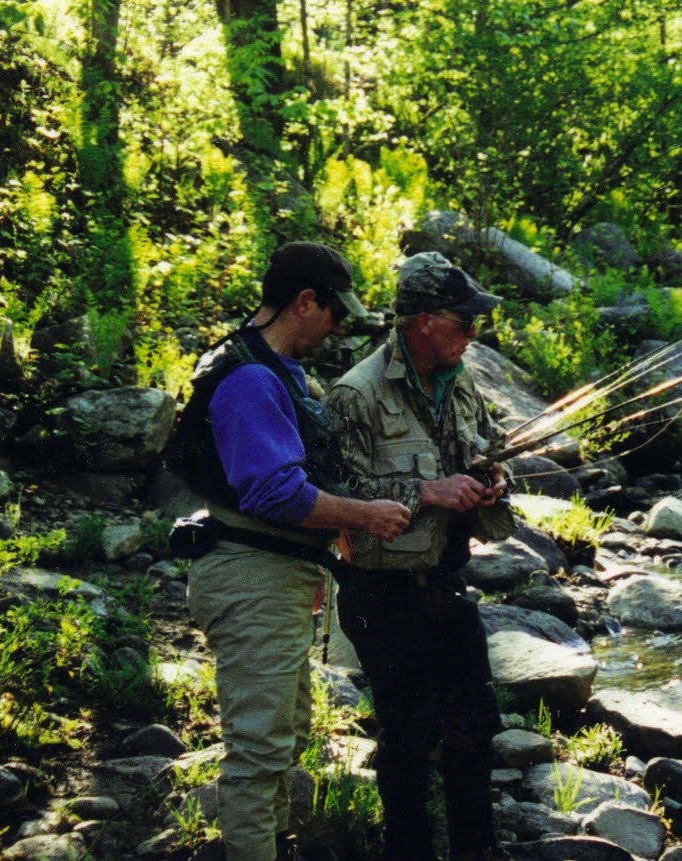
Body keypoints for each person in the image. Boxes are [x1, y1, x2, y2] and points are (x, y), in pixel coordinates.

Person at [168, 241, 412, 861]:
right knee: (258, 746)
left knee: (288, 729)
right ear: (306, 302)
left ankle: (275, 843)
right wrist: (365, 516)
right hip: (251, 575)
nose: (337, 331)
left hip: (276, 573)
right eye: (334, 315)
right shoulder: (251, 378)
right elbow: (274, 490)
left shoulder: (271, 369)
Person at [325, 252, 516, 861]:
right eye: (464, 321)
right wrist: (428, 492)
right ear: (425, 321)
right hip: (381, 594)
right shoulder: (354, 394)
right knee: (408, 735)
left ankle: (475, 849)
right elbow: (332, 497)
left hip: (446, 585)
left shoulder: (461, 381)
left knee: (473, 727)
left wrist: (492, 478)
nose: (473, 333)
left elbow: (486, 446)